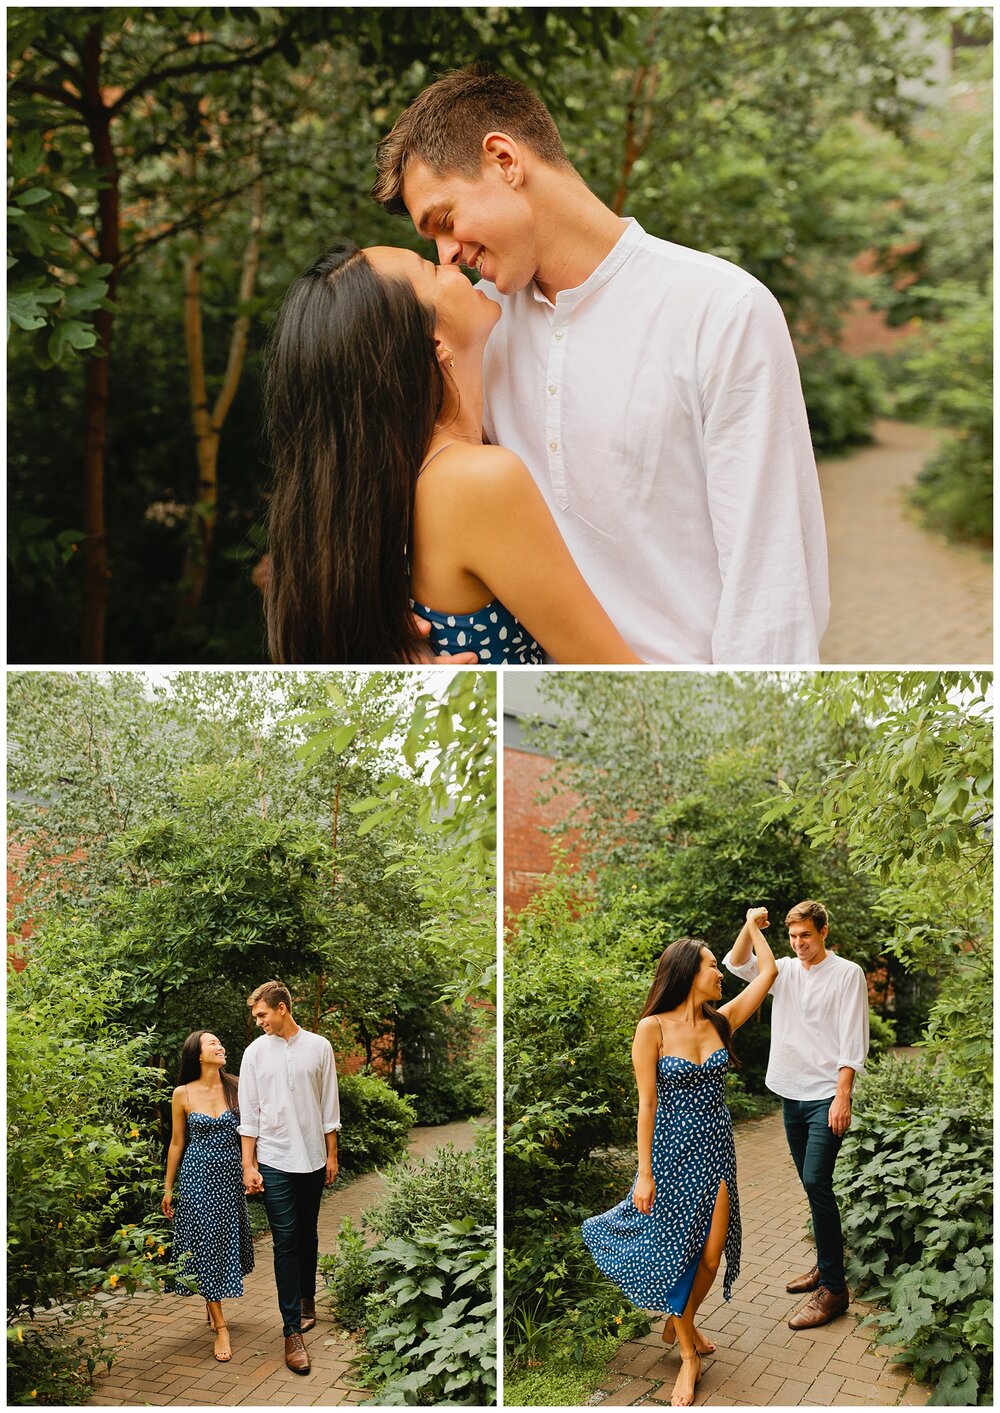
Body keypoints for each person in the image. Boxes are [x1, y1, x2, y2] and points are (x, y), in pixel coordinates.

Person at [373, 68, 830, 666]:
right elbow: (394, 478)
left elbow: (770, 583)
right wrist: (388, 630)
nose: (448, 255)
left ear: (504, 159)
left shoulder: (721, 310)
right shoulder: (478, 328)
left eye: (446, 220)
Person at [264, 240, 641, 665]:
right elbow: (620, 677)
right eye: (430, 270)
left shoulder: (394, 486)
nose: (450, 263)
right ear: (434, 343)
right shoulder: (476, 481)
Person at [582, 909, 777, 1407]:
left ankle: (678, 1320)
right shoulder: (652, 1028)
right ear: (689, 973)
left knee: (711, 1255)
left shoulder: (722, 1020)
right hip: (669, 1157)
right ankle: (688, 1353)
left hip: (716, 1152)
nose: (720, 973)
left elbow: (768, 972)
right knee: (673, 1255)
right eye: (712, 965)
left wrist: (752, 927)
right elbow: (646, 1104)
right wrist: (643, 1173)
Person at [723, 899, 869, 1330]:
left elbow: (852, 1040)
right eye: (792, 936)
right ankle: (825, 1267)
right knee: (811, 1185)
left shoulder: (847, 974)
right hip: (791, 1093)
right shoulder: (782, 970)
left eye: (806, 935)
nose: (799, 943)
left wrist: (843, 1096)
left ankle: (836, 1291)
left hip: (826, 1094)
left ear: (823, 932)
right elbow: (735, 962)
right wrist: (751, 924)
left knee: (815, 1181)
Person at [238, 981, 341, 1376]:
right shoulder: (254, 1053)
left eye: (262, 1014)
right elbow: (249, 1115)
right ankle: (290, 1330)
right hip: (275, 1158)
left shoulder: (319, 1046)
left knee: (308, 1234)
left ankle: (308, 1298)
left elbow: (328, 1103)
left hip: (314, 1156)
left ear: (281, 1008)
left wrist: (332, 1154)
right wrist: (250, 1165)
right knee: (284, 1240)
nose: (259, 1021)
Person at [162, 1031, 255, 1364]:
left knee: (220, 1243)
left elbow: (251, 1131)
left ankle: (211, 1303)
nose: (220, 1046)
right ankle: (220, 1325)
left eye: (220, 1042)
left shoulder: (238, 1084)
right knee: (202, 1244)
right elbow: (176, 1143)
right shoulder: (182, 1093)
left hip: (229, 1180)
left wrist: (252, 1167)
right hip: (196, 1179)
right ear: (198, 1055)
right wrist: (168, 1187)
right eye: (213, 1043)